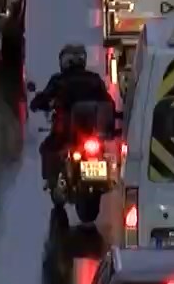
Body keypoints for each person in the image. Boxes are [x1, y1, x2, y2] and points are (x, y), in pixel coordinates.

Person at [29, 44, 116, 184]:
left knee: (47, 148)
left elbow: (44, 98)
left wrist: (37, 104)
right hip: (94, 133)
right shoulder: (94, 79)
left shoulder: (59, 80)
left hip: (68, 134)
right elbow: (108, 101)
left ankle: (54, 183)